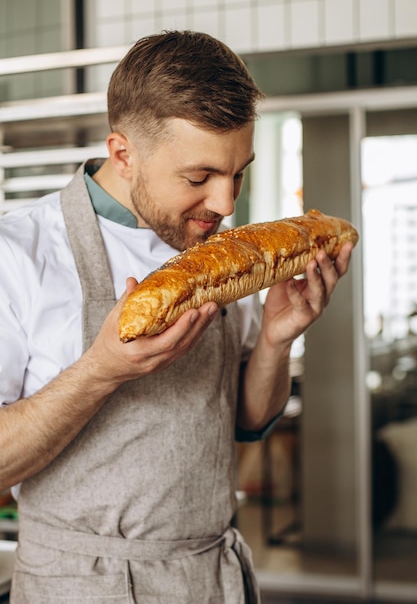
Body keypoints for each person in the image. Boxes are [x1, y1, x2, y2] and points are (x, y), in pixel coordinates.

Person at [0, 30, 353, 604]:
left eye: (238, 172)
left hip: (210, 577)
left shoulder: (209, 249)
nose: (225, 204)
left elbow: (243, 418)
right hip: (81, 586)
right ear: (123, 154)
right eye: (199, 178)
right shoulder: (18, 255)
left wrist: (274, 340)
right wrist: (102, 370)